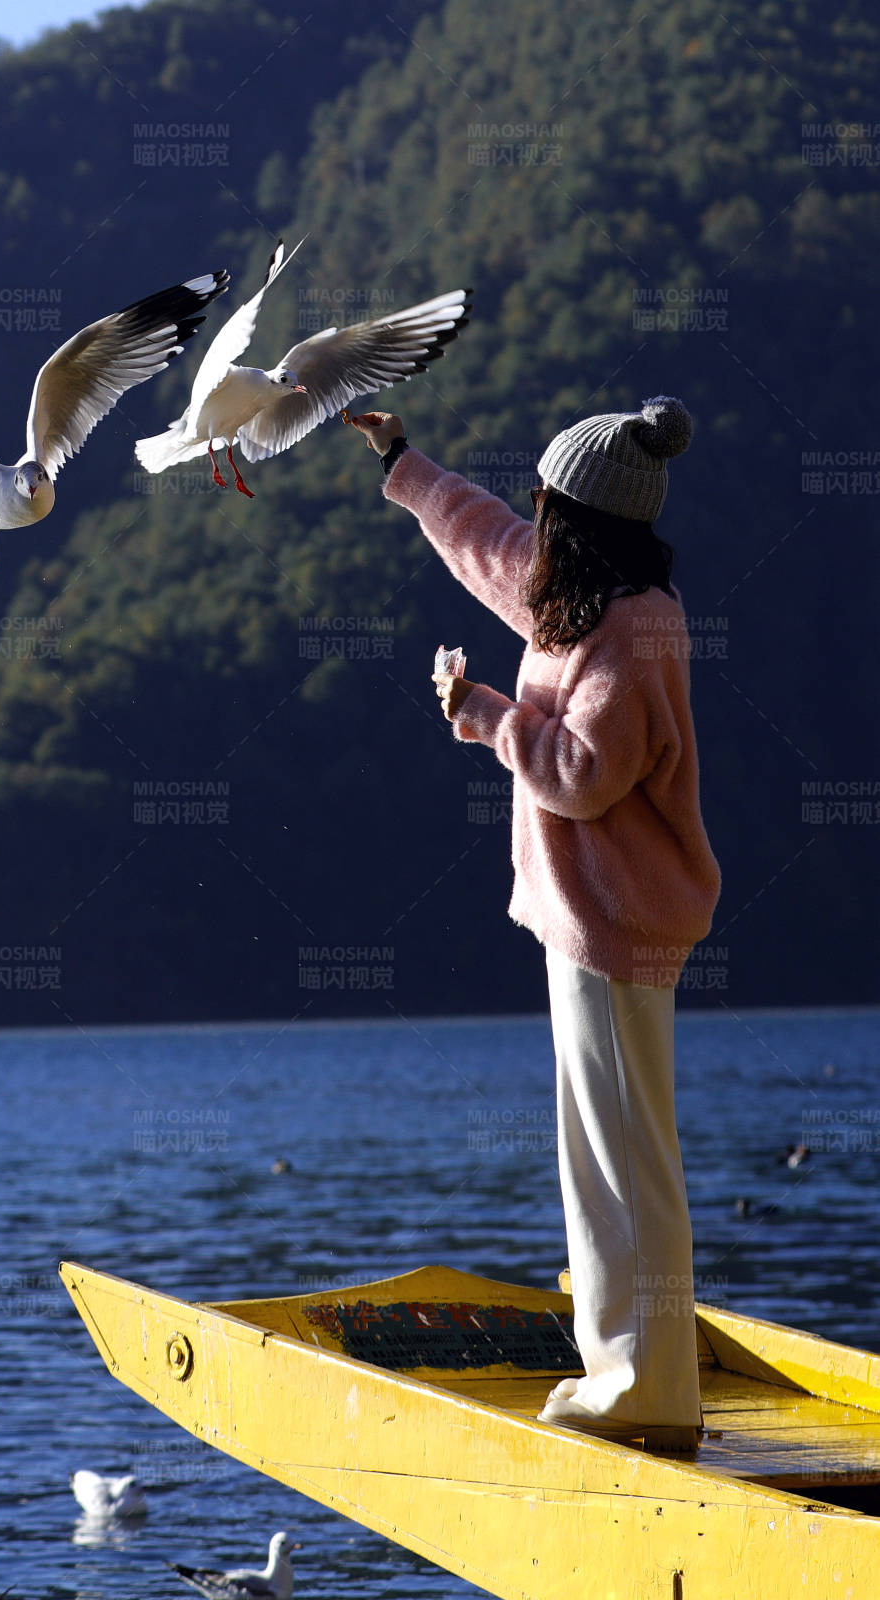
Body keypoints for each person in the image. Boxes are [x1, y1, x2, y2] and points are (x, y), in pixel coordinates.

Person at [351, 398, 721, 1451]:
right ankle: (636, 1377)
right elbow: (489, 547)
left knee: (621, 1162)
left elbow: (580, 774)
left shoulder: (630, 632)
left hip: (617, 923)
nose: (535, 516)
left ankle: (641, 1391)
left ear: (581, 517)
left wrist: (483, 714)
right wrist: (401, 460)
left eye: (548, 502)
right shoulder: (589, 602)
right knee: (611, 1157)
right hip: (599, 921)